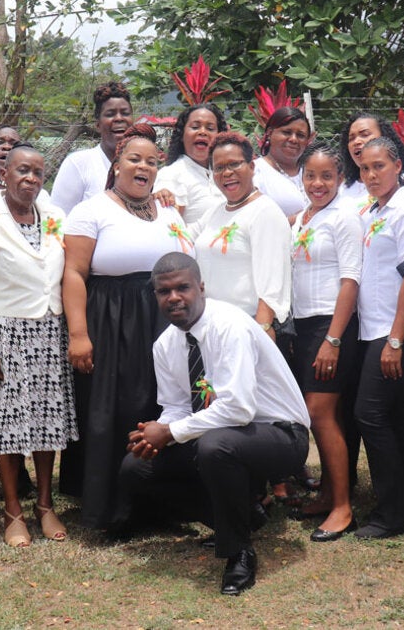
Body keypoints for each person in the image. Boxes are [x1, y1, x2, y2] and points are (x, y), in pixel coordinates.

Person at [117, 253, 311, 596]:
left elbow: (238, 408)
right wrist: (157, 434)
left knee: (215, 446)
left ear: (201, 288)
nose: (174, 297)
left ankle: (238, 551)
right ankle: (242, 519)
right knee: (137, 466)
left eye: (183, 288)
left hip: (281, 435)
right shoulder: (166, 344)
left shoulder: (229, 326)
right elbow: (176, 407)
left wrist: (170, 433)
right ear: (156, 296)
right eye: (164, 291)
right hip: (228, 434)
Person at [60, 123, 194, 529]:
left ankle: (163, 505)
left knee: (163, 406)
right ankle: (113, 510)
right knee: (115, 412)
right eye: (134, 159)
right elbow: (74, 274)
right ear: (116, 164)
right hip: (112, 323)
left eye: (152, 162)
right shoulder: (91, 210)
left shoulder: (168, 209)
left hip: (163, 321)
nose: (144, 167)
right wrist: (79, 334)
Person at [0, 143, 77, 547]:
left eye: (38, 173)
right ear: (4, 173)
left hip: (50, 329)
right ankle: (13, 510)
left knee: (47, 422)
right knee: (8, 425)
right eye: (22, 170)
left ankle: (45, 505)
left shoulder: (56, 217)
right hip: (4, 333)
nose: (30, 179)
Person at [285, 142, 363, 541]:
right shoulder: (302, 219)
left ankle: (343, 507)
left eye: (326, 176)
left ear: (340, 178)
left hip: (331, 326)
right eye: (310, 175)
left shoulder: (344, 218)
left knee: (321, 413)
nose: (318, 183)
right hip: (304, 325)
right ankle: (332, 492)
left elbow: (351, 279)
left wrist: (333, 338)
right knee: (317, 413)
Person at [351, 136, 404, 539]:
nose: (371, 175)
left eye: (378, 166)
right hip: (373, 328)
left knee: (370, 414)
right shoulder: (371, 211)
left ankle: (390, 513)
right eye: (364, 168)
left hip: (394, 328)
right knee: (397, 417)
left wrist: (396, 340)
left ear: (398, 166)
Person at [192, 132, 293, 333]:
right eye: (219, 168)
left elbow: (272, 278)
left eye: (234, 164)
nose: (227, 172)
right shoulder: (215, 212)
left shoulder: (265, 212)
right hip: (214, 324)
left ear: (252, 167)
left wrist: (263, 327)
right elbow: (182, 238)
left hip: (250, 324)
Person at [51, 82, 133, 213]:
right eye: (110, 114)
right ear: (98, 125)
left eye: (125, 113)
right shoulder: (79, 164)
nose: (119, 118)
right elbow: (56, 217)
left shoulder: (142, 166)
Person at [158, 103, 229, 228]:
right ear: (182, 135)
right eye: (195, 127)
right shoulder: (171, 175)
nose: (203, 132)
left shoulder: (226, 174)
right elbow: (171, 230)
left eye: (210, 128)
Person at [249, 107, 311, 217]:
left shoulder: (312, 172)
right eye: (287, 132)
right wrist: (303, 218)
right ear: (269, 133)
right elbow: (254, 222)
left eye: (300, 135)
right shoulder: (255, 172)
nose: (293, 139)